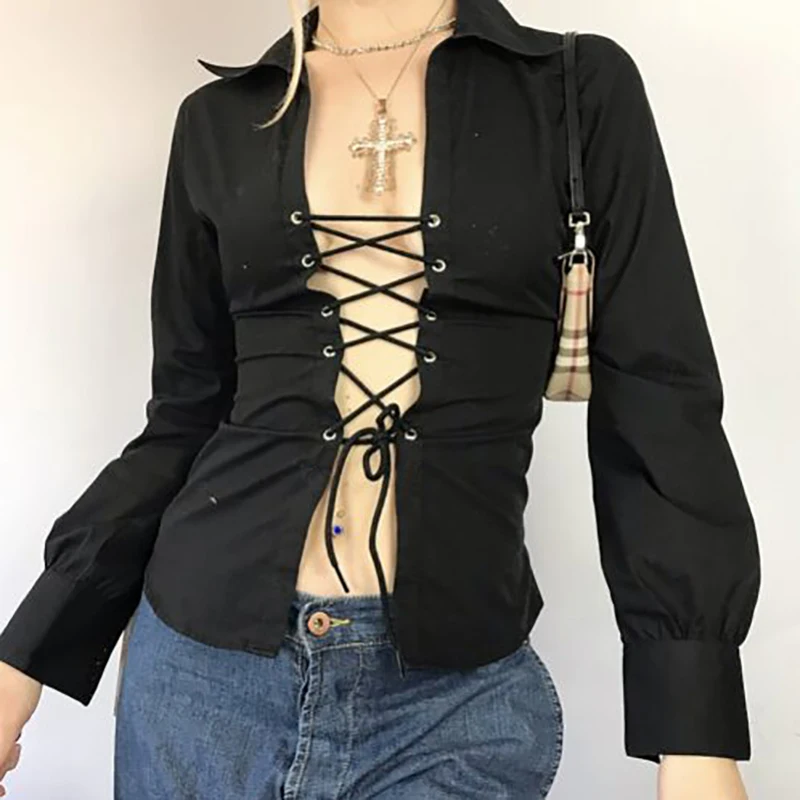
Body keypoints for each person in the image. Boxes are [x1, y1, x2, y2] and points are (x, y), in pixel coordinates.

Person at [0, 0, 760, 797]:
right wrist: (25, 655)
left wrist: (695, 733)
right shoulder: (219, 120)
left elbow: (659, 399)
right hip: (203, 676)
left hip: (449, 702)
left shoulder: (575, 89)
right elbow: (185, 416)